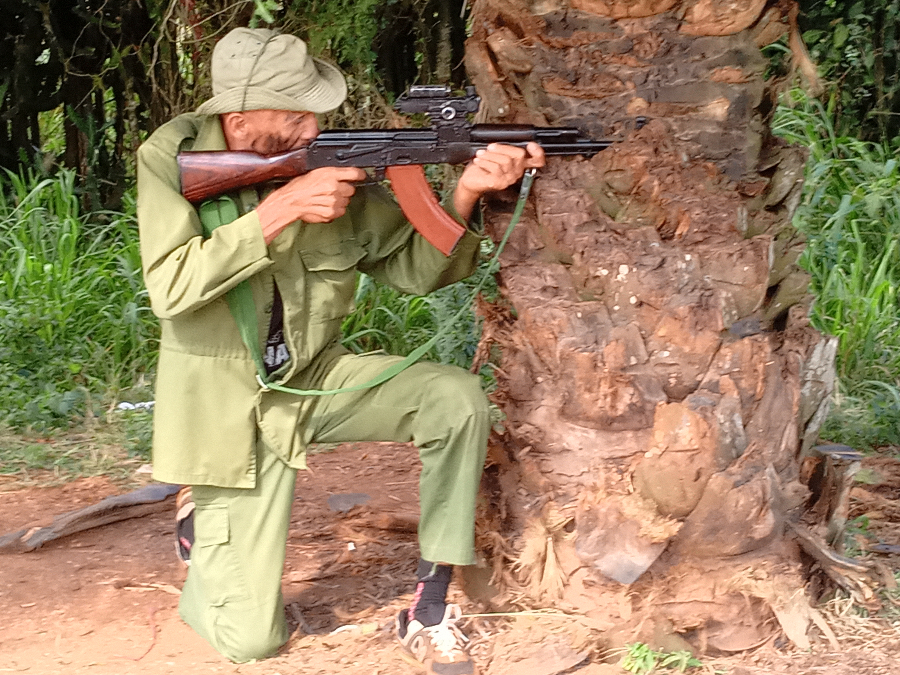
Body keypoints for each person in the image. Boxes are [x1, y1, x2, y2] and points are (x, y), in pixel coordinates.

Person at [136, 26, 543, 674]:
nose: (312, 125)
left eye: (314, 110)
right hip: (228, 409)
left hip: (315, 380)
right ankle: (200, 512)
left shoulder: (328, 164)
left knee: (453, 398)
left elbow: (414, 270)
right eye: (295, 113)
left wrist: (466, 192)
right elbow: (171, 287)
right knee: (248, 640)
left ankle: (430, 603)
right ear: (240, 120)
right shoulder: (172, 157)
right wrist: (281, 211)